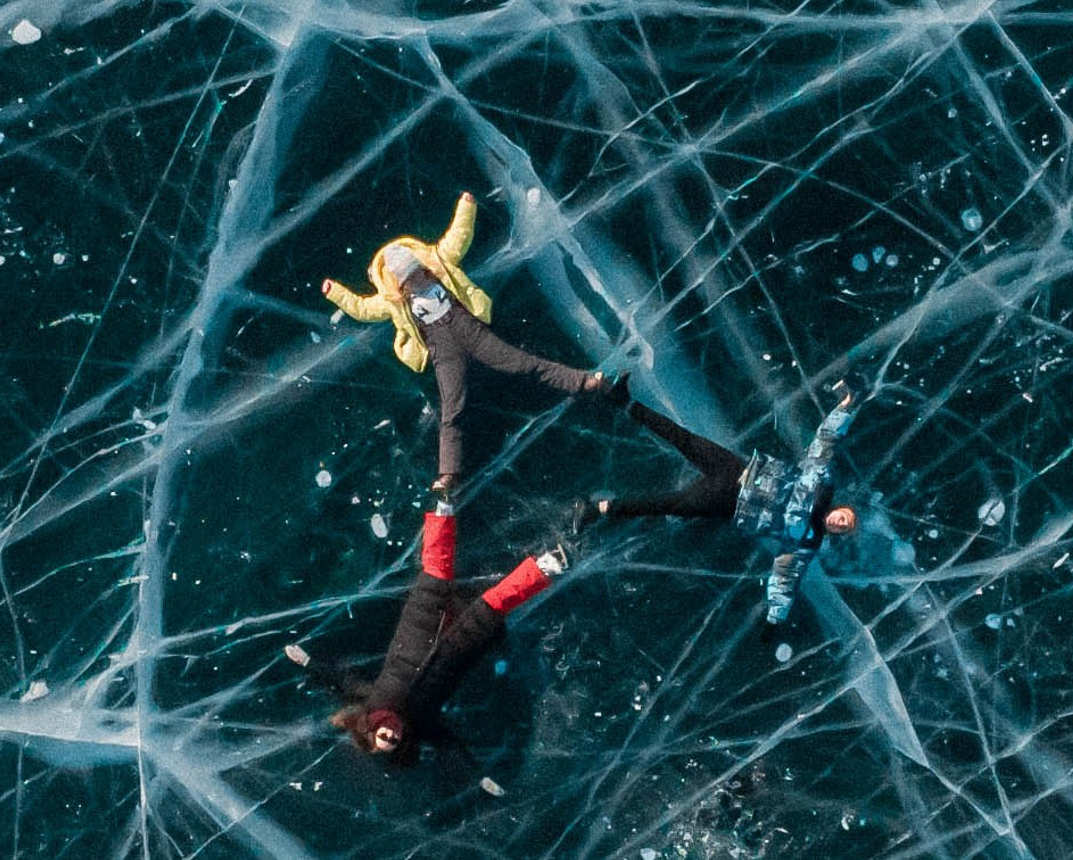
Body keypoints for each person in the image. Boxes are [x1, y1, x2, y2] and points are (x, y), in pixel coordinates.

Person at [322, 191, 621, 488]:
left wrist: (466, 206)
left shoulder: (438, 260)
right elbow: (363, 308)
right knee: (453, 408)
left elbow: (459, 236)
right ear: (399, 285)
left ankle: (587, 382)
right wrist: (336, 292)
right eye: (410, 278)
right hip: (442, 350)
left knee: (524, 365)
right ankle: (449, 475)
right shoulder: (393, 302)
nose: (419, 279)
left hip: (470, 330)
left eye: (419, 272)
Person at [590, 386, 860, 624]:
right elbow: (824, 443)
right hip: (737, 469)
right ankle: (623, 400)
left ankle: (602, 509)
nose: (839, 522)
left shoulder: (806, 541)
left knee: (671, 504)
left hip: (730, 502)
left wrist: (776, 615)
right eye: (843, 518)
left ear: (836, 533)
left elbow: (786, 573)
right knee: (681, 438)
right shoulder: (820, 484)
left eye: (842, 528)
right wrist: (845, 407)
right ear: (839, 509)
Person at [330, 499, 571, 763]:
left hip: (420, 624)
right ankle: (550, 561)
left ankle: (443, 502)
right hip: (458, 647)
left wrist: (307, 663)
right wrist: (477, 775)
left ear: (372, 726)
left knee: (436, 570)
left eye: (385, 737)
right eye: (395, 741)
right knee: (496, 603)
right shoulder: (420, 725)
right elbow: (448, 745)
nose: (393, 735)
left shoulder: (371, 699)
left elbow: (343, 681)